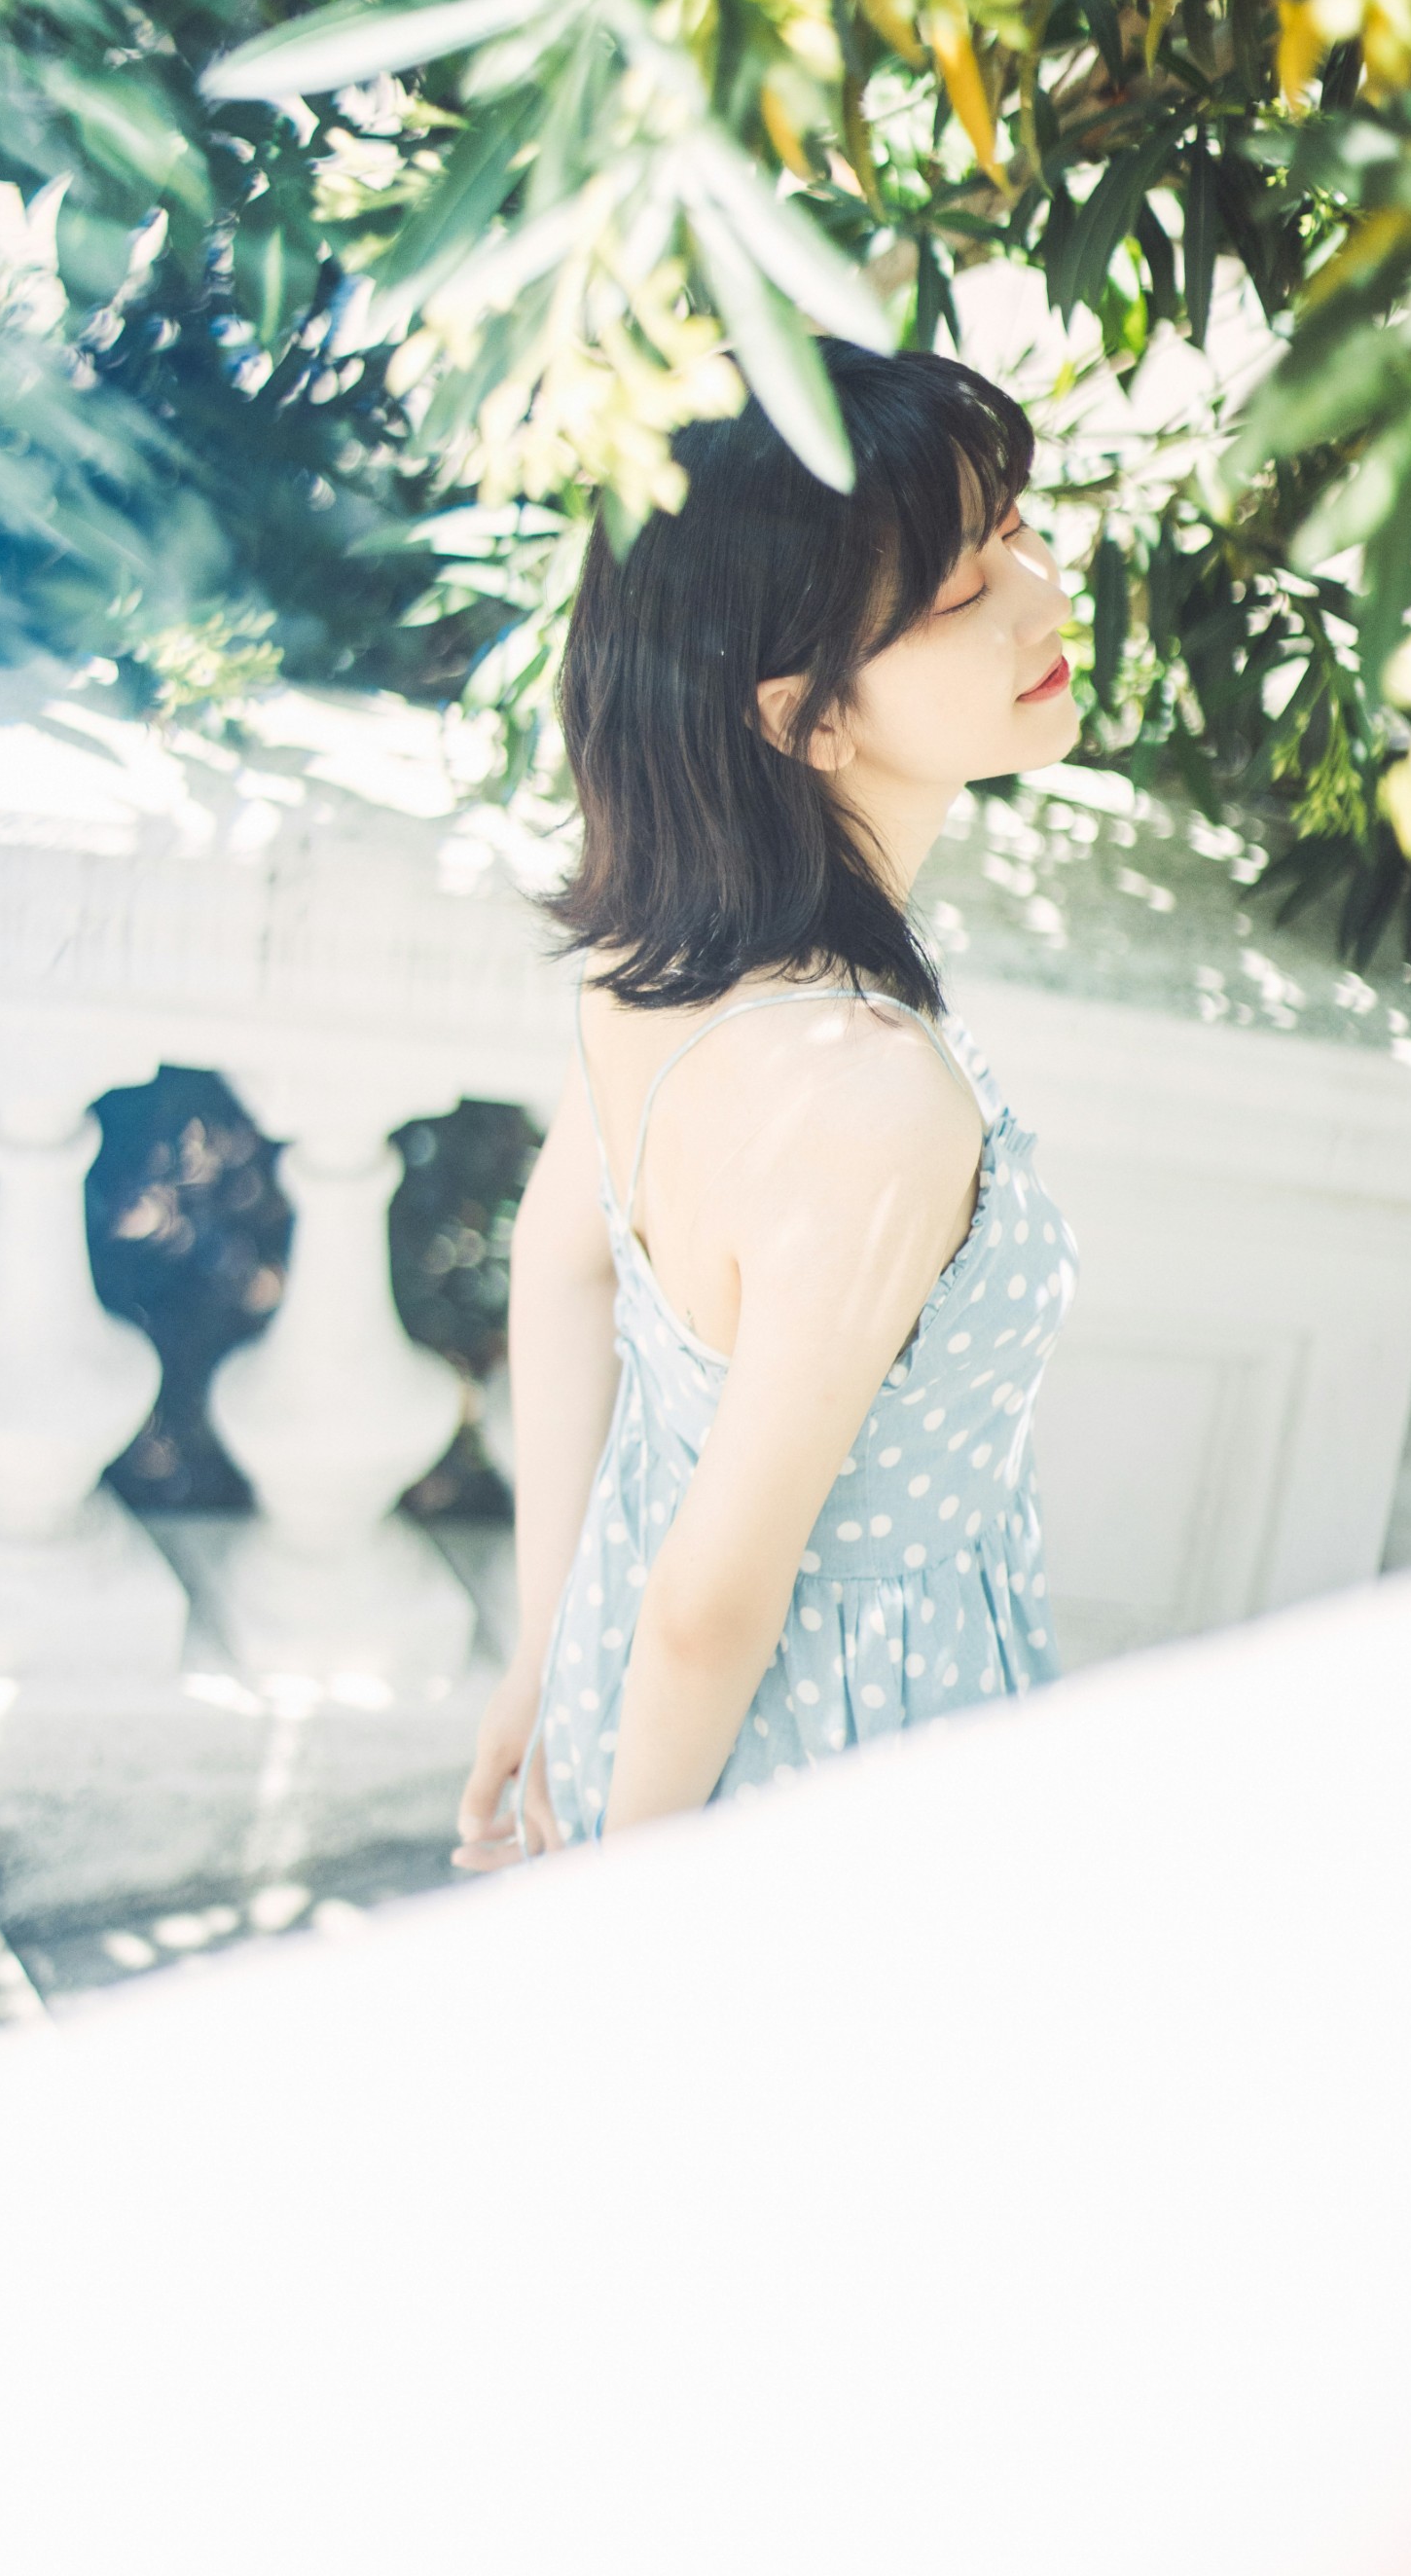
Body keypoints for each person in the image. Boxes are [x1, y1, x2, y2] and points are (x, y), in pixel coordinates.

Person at [456, 343, 1084, 1865]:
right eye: (963, 589)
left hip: (629, 1689)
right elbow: (712, 1611)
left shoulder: (657, 956)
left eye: (1016, 529)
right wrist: (630, 1896)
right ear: (805, 715)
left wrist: (549, 1644)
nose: (1045, 593)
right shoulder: (865, 1103)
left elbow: (561, 1258)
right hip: (833, 1750)